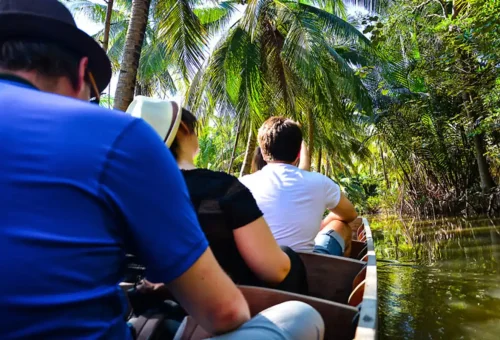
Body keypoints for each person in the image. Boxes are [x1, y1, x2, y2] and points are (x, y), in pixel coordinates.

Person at [0, 2, 323, 339]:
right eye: (93, 94)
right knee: (302, 315)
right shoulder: (120, 140)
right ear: (82, 72)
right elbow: (225, 311)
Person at [126, 97, 308, 294]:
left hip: (138, 308)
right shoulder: (222, 188)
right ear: (184, 129)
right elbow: (275, 271)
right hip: (211, 312)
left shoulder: (123, 193)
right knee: (288, 260)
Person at [240, 117, 358, 257]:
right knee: (342, 226)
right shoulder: (320, 182)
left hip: (257, 267)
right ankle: (335, 277)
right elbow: (351, 215)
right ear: (297, 154)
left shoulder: (242, 184)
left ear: (263, 153)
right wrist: (324, 224)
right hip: (308, 268)